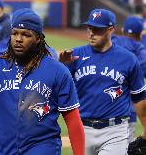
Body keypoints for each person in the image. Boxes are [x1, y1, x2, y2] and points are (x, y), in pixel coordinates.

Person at [0, 8, 85, 155]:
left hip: (43, 149)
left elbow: (72, 120)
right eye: (15, 33)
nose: (18, 39)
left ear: (38, 38)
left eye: (26, 35)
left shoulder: (57, 71)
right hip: (5, 151)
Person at [59, 8, 146, 155]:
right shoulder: (74, 56)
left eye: (97, 29)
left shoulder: (128, 59)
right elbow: (59, 90)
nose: (91, 33)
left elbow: (139, 98)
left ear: (110, 29)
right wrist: (62, 67)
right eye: (89, 28)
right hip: (82, 129)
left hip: (115, 131)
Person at [111, 16, 146, 142]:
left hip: (98, 111)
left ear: (123, 29)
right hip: (126, 114)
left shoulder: (110, 43)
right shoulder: (141, 54)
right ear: (141, 34)